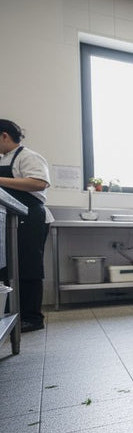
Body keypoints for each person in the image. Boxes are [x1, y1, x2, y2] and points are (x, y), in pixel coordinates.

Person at [0, 119, 53, 332]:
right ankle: (11, 314)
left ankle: (32, 318)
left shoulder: (28, 156)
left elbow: (39, 182)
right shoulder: (4, 159)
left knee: (28, 267)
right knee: (8, 268)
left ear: (4, 136)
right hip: (8, 218)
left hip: (30, 217)